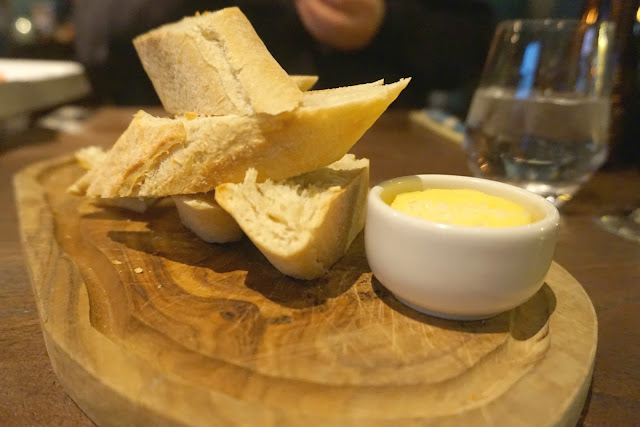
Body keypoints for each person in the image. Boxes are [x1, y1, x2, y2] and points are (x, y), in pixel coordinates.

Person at [73, 0, 495, 109]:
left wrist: (386, 22)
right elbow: (98, 40)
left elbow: (475, 42)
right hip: (179, 120)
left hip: (388, 146)